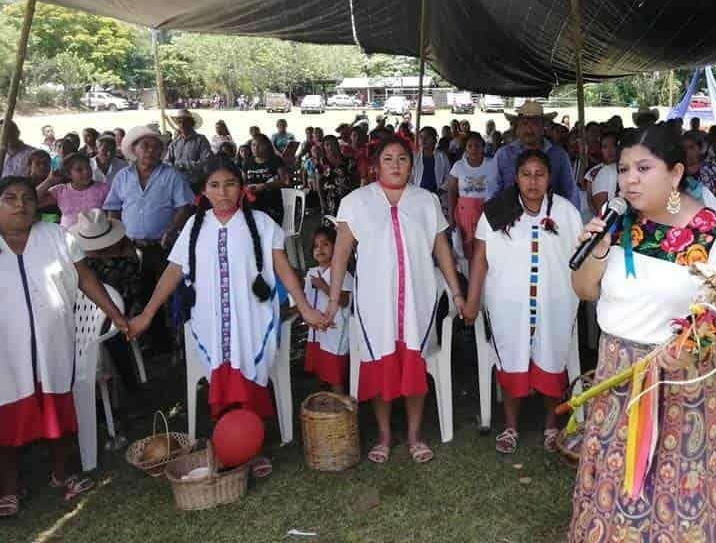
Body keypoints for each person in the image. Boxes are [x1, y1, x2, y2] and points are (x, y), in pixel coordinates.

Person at [568, 124, 716, 542]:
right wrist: (597, 247)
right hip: (616, 377)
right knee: (616, 482)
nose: (629, 179)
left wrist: (698, 346)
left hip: (685, 386)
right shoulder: (614, 224)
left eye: (642, 168)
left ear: (675, 174)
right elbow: (584, 290)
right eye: (622, 169)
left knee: (679, 484)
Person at [128, 157, 325, 477]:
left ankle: (252, 444)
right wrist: (147, 314)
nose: (223, 193)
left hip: (252, 316)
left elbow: (282, 268)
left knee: (249, 371)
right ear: (203, 192)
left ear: (242, 188)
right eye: (214, 186)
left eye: (230, 184)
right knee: (222, 373)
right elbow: (173, 271)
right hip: (210, 319)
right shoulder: (194, 227)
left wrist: (304, 307)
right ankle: (231, 442)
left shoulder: (261, 223)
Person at [323, 136, 465, 465]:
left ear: (411, 164)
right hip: (376, 301)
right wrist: (332, 300)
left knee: (414, 361)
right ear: (376, 165)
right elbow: (341, 252)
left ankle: (415, 435)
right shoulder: (356, 202)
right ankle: (385, 435)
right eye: (388, 159)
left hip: (418, 297)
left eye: (402, 158)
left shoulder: (426, 201)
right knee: (381, 363)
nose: (395, 165)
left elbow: (441, 248)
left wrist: (456, 292)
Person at [0, 177, 128, 517]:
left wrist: (114, 313)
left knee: (58, 405)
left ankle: (64, 474)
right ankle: (9, 487)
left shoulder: (55, 237)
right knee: (7, 414)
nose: (20, 205)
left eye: (27, 198)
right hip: (6, 351)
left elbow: (85, 278)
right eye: (10, 198)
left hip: (54, 341)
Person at [464, 150, 581, 454]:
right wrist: (473, 301)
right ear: (515, 178)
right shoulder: (497, 210)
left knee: (552, 358)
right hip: (507, 303)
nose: (532, 181)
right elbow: (480, 257)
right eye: (526, 174)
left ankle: (551, 425)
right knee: (510, 359)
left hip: (554, 302)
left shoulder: (565, 212)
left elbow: (581, 257)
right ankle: (510, 426)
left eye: (539, 174)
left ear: (549, 177)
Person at [103, 126, 194, 350]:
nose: (151, 151)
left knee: (168, 294)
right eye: (145, 146)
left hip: (163, 245)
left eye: (156, 146)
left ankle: (176, 340)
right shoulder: (123, 177)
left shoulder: (171, 175)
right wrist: (115, 237)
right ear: (134, 149)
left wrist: (170, 231)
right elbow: (113, 208)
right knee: (140, 293)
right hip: (131, 246)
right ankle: (150, 340)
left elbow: (184, 207)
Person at [69, 209, 147, 416]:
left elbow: (130, 292)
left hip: (122, 308)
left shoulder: (125, 254)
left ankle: (129, 390)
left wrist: (118, 315)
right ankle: (92, 397)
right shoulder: (81, 260)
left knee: (113, 339)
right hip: (87, 312)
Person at [494, 101, 577, 207]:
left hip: (550, 219)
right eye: (524, 124)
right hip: (511, 219)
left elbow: (570, 193)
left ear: (543, 128)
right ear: (517, 128)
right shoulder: (503, 155)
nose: (529, 129)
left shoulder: (559, 156)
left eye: (535, 124)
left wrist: (572, 221)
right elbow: (492, 193)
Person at [303, 227, 354, 393]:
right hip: (317, 333)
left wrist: (325, 287)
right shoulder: (312, 273)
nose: (320, 249)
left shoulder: (342, 274)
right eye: (316, 246)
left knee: (334, 376)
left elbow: (345, 301)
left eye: (325, 244)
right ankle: (325, 407)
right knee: (321, 370)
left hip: (334, 334)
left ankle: (340, 407)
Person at [447, 131, 498, 263]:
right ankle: (470, 279)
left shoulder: (491, 164)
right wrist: (451, 217)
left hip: (487, 211)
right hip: (465, 213)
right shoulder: (458, 166)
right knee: (467, 247)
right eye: (470, 146)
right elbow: (451, 191)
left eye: (477, 145)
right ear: (465, 148)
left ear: (483, 147)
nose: (474, 149)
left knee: (486, 246)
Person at [37, 153, 110, 230]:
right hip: (67, 236)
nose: (86, 172)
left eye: (88, 168)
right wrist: (49, 181)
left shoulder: (103, 188)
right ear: (69, 174)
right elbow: (34, 201)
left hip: (97, 235)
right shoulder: (61, 190)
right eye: (79, 170)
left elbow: (111, 214)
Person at [242, 133, 288, 224]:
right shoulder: (247, 162)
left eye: (260, 145)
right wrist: (247, 188)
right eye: (253, 145)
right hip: (252, 205)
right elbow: (243, 182)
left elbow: (285, 181)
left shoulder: (275, 160)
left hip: (272, 206)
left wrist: (265, 186)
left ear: (266, 146)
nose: (256, 148)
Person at [165, 110, 212, 187]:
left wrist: (185, 166)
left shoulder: (201, 140)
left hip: (194, 184)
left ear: (191, 123)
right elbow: (166, 161)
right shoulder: (175, 142)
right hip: (177, 183)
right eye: (179, 122)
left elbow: (207, 161)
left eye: (185, 121)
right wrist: (173, 167)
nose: (182, 124)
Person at [317, 135, 359, 219]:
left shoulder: (348, 161)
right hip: (330, 201)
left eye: (333, 144)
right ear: (324, 148)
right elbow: (319, 184)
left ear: (337, 145)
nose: (331, 147)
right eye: (327, 145)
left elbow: (356, 181)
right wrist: (322, 203)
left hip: (348, 200)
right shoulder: (321, 165)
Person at [411, 126, 451, 207]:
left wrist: (441, 190)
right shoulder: (414, 157)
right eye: (421, 137)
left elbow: (449, 176)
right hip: (418, 195)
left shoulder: (442, 156)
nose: (423, 140)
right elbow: (409, 178)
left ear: (434, 140)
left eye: (427, 137)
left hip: (437, 195)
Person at [587, 130, 619, 215]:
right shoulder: (593, 172)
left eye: (613, 146)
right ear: (601, 150)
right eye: (605, 147)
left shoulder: (627, 168)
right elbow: (590, 199)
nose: (610, 150)